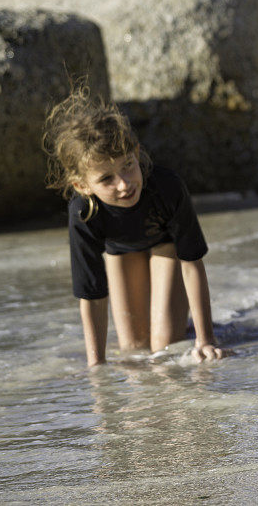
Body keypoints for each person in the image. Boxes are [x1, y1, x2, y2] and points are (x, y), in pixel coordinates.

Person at [43, 86, 228, 366]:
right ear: (82, 186)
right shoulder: (83, 212)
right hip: (121, 250)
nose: (124, 184)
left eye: (128, 165)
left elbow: (192, 263)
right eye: (106, 179)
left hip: (166, 246)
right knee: (134, 350)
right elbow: (92, 296)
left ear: (136, 152)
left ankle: (196, 329)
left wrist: (206, 340)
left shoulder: (168, 187)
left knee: (164, 346)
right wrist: (97, 365)